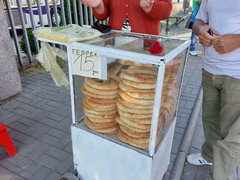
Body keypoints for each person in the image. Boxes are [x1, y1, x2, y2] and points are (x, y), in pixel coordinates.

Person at [186, 0, 240, 179]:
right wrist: (200, 30)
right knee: (210, 122)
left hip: (236, 76)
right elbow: (199, 21)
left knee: (231, 138)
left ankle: (222, 175)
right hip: (210, 71)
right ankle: (208, 155)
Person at [79, 0, 172, 35]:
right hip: (115, 44)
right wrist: (98, 4)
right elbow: (102, 15)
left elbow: (166, 11)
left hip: (145, 46)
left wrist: (150, 6)